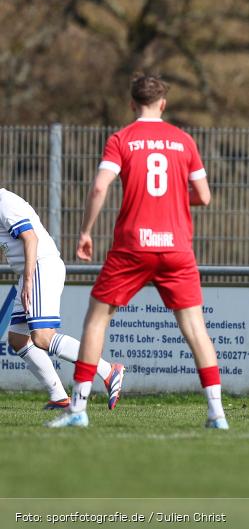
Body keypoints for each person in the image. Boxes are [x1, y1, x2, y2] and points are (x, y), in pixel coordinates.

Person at [47, 73, 229, 429]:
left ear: (132, 104)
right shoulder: (183, 140)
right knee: (196, 327)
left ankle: (79, 409)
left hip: (133, 245)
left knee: (98, 318)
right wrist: (178, 201)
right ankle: (217, 413)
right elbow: (204, 196)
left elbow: (100, 188)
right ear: (163, 104)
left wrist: (85, 231)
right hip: (176, 246)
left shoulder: (122, 139)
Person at [1, 188, 124, 410]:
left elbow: (31, 238)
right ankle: (58, 396)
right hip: (31, 271)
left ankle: (108, 370)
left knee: (42, 337)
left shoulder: (3, 202)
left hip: (39, 267)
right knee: (18, 339)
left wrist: (28, 279)